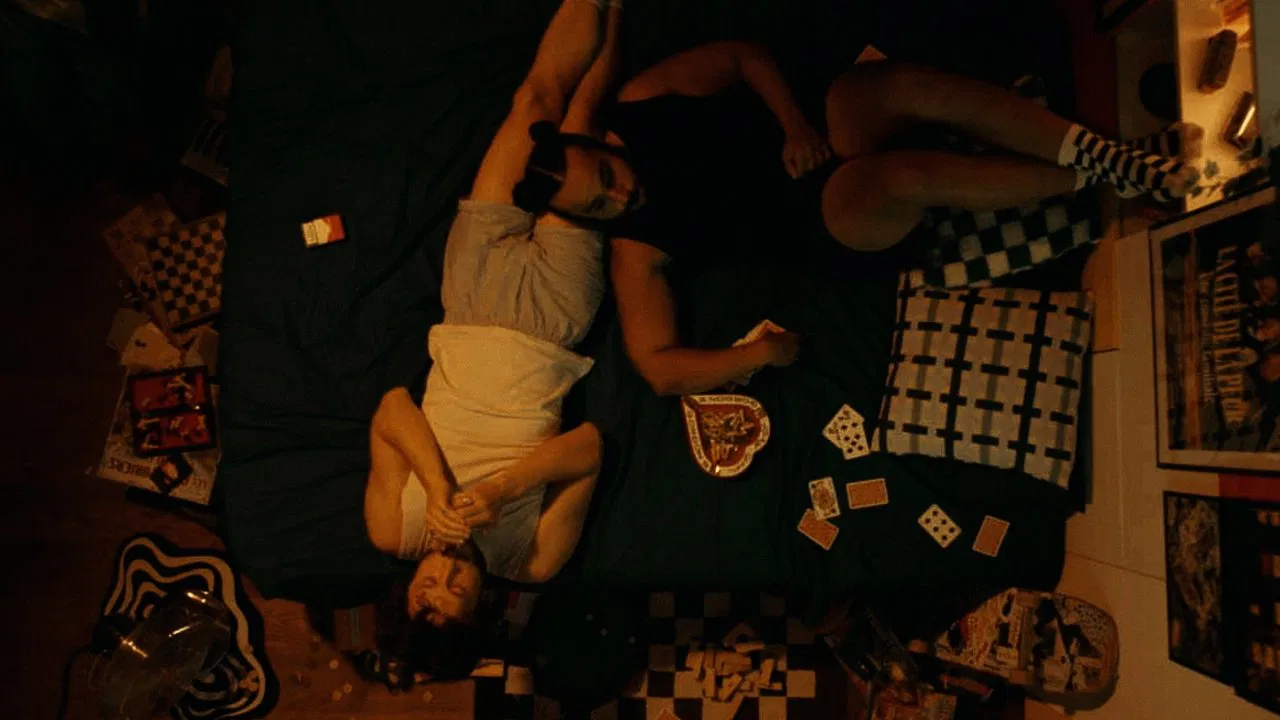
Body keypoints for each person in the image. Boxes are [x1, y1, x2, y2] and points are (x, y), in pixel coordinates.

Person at [512, 43, 1200, 396]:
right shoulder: (634, 250)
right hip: (819, 219)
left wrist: (791, 123)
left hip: (813, 128)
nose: (620, 196)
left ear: (600, 145)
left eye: (607, 176)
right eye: (598, 207)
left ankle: (1105, 158)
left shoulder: (643, 100)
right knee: (896, 177)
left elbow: (742, 56)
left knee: (903, 86)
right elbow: (657, 369)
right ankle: (1103, 172)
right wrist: (753, 357)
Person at [362, 0, 623, 658]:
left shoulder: (393, 532)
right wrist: (504, 488)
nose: (446, 574)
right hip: (552, 323)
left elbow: (392, 408)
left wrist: (440, 489)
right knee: (581, 137)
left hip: (469, 299)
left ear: (407, 590)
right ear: (484, 604)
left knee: (533, 104)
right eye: (458, 591)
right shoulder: (530, 561)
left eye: (428, 588)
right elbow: (591, 447)